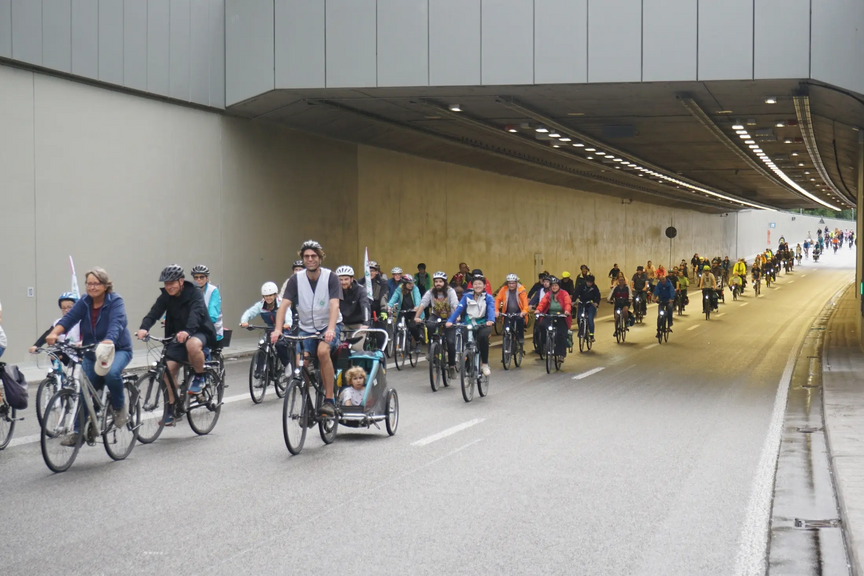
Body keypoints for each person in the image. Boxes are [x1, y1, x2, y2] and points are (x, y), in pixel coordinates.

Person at [46, 268, 133, 443]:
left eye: (96, 283)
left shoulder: (115, 301)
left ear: (105, 285)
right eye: (89, 284)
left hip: (117, 349)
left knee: (111, 373)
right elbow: (68, 319)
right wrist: (54, 333)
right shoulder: (84, 302)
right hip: (92, 351)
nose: (92, 287)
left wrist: (109, 340)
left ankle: (119, 407)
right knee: (82, 386)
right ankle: (79, 431)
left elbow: (117, 322)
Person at [272, 240, 343, 418]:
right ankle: (306, 401)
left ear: (320, 258)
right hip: (306, 328)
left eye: (313, 256)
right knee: (300, 361)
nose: (310, 259)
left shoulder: (331, 277)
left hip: (328, 325)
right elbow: (283, 306)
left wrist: (331, 329)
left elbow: (334, 306)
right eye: (306, 256)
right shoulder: (295, 280)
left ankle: (329, 400)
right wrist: (277, 329)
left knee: (323, 351)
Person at [138, 265, 218, 408]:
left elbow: (196, 313)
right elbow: (154, 312)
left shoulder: (194, 292)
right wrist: (144, 327)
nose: (169, 287)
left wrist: (188, 331)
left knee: (192, 344)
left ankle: (200, 376)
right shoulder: (166, 296)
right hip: (178, 335)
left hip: (199, 331)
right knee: (167, 372)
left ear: (181, 281)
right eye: (166, 284)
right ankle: (172, 408)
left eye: (172, 283)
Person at [447, 271, 496, 376]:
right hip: (468, 323)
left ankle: (484, 364)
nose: (477, 286)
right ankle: (468, 370)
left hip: (483, 323)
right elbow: (458, 309)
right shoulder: (466, 297)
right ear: (472, 286)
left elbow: (491, 309)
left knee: (483, 338)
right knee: (467, 345)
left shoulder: (488, 298)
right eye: (475, 284)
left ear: (484, 285)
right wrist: (450, 321)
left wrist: (490, 320)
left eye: (480, 284)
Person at [416, 271, 460, 378]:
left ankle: (452, 366)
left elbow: (455, 304)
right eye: (436, 281)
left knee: (450, 342)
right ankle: (432, 350)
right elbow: (423, 304)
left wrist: (457, 316)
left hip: (450, 317)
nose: (438, 284)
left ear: (445, 282)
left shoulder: (450, 291)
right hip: (436, 315)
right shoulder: (430, 292)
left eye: (440, 281)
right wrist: (416, 316)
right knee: (430, 325)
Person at [240, 282, 293, 369]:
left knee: (280, 345)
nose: (268, 298)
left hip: (283, 329)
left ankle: (287, 365)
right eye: (265, 296)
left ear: (275, 295)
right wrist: (244, 321)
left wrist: (287, 323)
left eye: (270, 295)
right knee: (263, 345)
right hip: (270, 328)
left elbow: (287, 313)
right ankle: (260, 371)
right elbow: (249, 312)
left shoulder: (281, 303)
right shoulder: (260, 305)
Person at [535, 276, 572, 361]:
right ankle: (545, 342)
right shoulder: (548, 294)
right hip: (550, 315)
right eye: (552, 286)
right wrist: (538, 310)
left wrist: (566, 311)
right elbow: (542, 303)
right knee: (541, 325)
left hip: (561, 316)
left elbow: (567, 303)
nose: (554, 287)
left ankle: (561, 354)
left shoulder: (564, 294)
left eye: (556, 285)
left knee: (561, 334)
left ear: (559, 286)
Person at [336, 266, 370, 351]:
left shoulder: (360, 290)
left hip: (358, 324)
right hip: (342, 324)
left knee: (356, 348)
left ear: (351, 279)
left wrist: (365, 323)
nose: (343, 282)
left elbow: (365, 306)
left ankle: (358, 364)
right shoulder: (335, 290)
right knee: (338, 348)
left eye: (346, 279)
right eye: (340, 279)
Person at [388, 274, 425, 354]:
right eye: (409, 283)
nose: (411, 285)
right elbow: (394, 298)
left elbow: (417, 298)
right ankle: (400, 345)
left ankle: (417, 342)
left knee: (412, 326)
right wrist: (389, 306)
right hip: (403, 311)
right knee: (398, 327)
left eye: (412, 283)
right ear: (404, 284)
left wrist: (417, 306)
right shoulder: (399, 289)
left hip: (414, 312)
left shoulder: (415, 288)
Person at [494, 273, 529, 346]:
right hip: (507, 312)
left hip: (519, 312)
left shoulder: (521, 290)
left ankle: (521, 337)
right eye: (509, 283)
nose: (511, 285)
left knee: (520, 321)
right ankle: (505, 354)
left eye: (513, 283)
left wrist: (524, 311)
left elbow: (525, 302)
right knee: (506, 329)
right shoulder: (504, 289)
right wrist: (496, 310)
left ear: (516, 283)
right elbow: (498, 299)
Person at [191, 265, 223, 342]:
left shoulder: (213, 291)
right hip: (194, 327)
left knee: (199, 346)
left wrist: (198, 322)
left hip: (212, 328)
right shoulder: (190, 290)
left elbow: (213, 314)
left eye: (201, 277)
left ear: (207, 278)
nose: (198, 280)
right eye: (196, 277)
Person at [573, 275, 600, 342]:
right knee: (579, 317)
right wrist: (573, 301)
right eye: (588, 282)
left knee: (590, 319)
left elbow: (598, 295)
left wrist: (596, 302)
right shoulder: (581, 286)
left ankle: (591, 335)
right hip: (582, 303)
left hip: (591, 304)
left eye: (590, 282)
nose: (589, 284)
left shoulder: (594, 287)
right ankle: (581, 330)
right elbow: (576, 293)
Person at [652, 271, 676, 337]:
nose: (662, 281)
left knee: (670, 308)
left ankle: (670, 322)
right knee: (660, 315)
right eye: (661, 280)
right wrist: (654, 298)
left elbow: (672, 291)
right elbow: (656, 291)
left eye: (663, 279)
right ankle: (658, 330)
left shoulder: (669, 284)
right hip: (662, 300)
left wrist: (671, 298)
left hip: (668, 300)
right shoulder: (659, 285)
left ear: (665, 279)